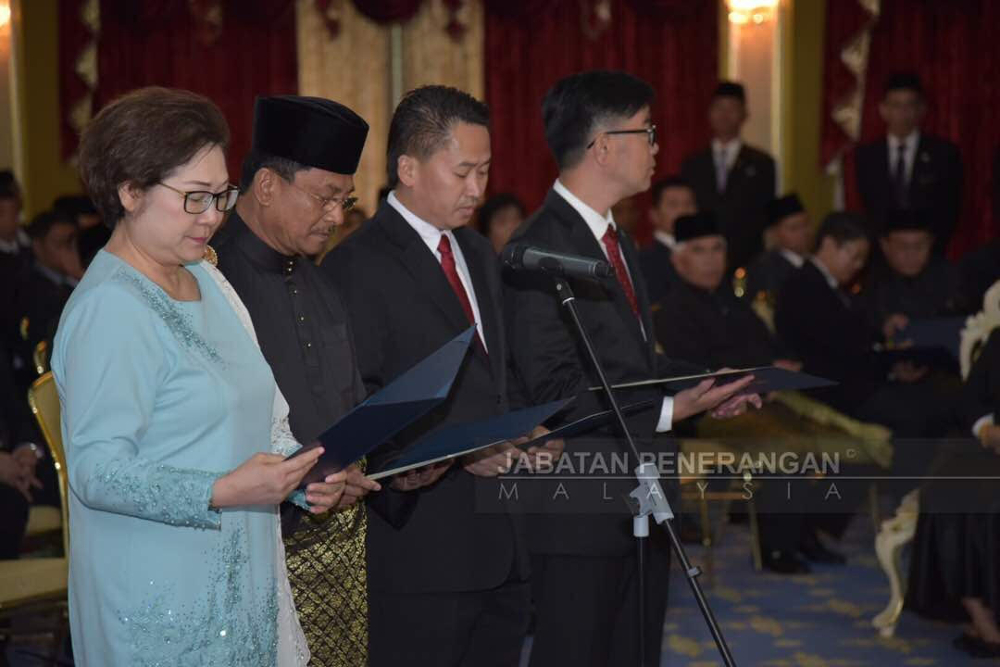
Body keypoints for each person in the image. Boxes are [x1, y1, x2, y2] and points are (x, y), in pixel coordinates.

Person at [51, 86, 348, 666]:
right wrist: (223, 490)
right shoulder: (109, 308)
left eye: (220, 195)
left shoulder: (209, 280)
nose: (213, 216)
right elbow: (98, 471)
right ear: (130, 191)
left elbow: (262, 414)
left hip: (244, 577)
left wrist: (303, 473)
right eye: (194, 198)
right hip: (161, 601)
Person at [503, 70, 759, 667]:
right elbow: (554, 389)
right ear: (603, 146)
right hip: (583, 508)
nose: (657, 146)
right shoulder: (535, 250)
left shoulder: (616, 238)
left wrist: (706, 383)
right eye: (647, 132)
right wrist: (672, 408)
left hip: (642, 495)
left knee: (636, 652)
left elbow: (633, 361)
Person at [323, 85, 549, 667]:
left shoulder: (476, 252)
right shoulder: (357, 263)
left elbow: (501, 372)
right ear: (408, 168)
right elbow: (355, 402)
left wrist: (526, 428)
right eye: (464, 171)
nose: (478, 188)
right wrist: (453, 452)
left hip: (502, 538)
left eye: (486, 170)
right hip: (422, 549)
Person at [215, 94, 378, 667]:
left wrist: (361, 465)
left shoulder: (322, 282)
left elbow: (350, 404)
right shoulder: (209, 284)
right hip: (259, 553)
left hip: (342, 548)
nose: (337, 216)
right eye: (325, 198)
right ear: (265, 186)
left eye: (345, 199)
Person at [854, 73, 962, 254]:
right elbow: (868, 207)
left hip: (929, 253)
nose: (903, 113)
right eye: (896, 105)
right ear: (883, 109)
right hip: (881, 255)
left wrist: (924, 247)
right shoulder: (867, 156)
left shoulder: (943, 154)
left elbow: (950, 208)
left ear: (921, 109)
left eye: (910, 105)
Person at [681, 81, 776, 273]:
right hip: (702, 261)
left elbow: (766, 215)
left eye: (732, 108)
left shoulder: (761, 163)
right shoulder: (693, 164)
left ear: (744, 115)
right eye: (719, 108)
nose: (725, 115)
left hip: (748, 260)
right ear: (709, 114)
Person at [862, 208, 968, 336]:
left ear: (931, 243)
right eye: (903, 246)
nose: (911, 254)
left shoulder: (949, 275)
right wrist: (882, 329)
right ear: (885, 245)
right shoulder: (867, 280)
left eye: (920, 245)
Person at [637, 175, 696, 306]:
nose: (682, 211)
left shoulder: (711, 253)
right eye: (673, 205)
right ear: (654, 214)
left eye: (688, 204)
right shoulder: (644, 261)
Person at [744, 193, 812, 305]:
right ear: (775, 233)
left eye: (805, 225)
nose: (803, 233)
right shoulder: (765, 269)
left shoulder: (811, 261)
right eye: (793, 228)